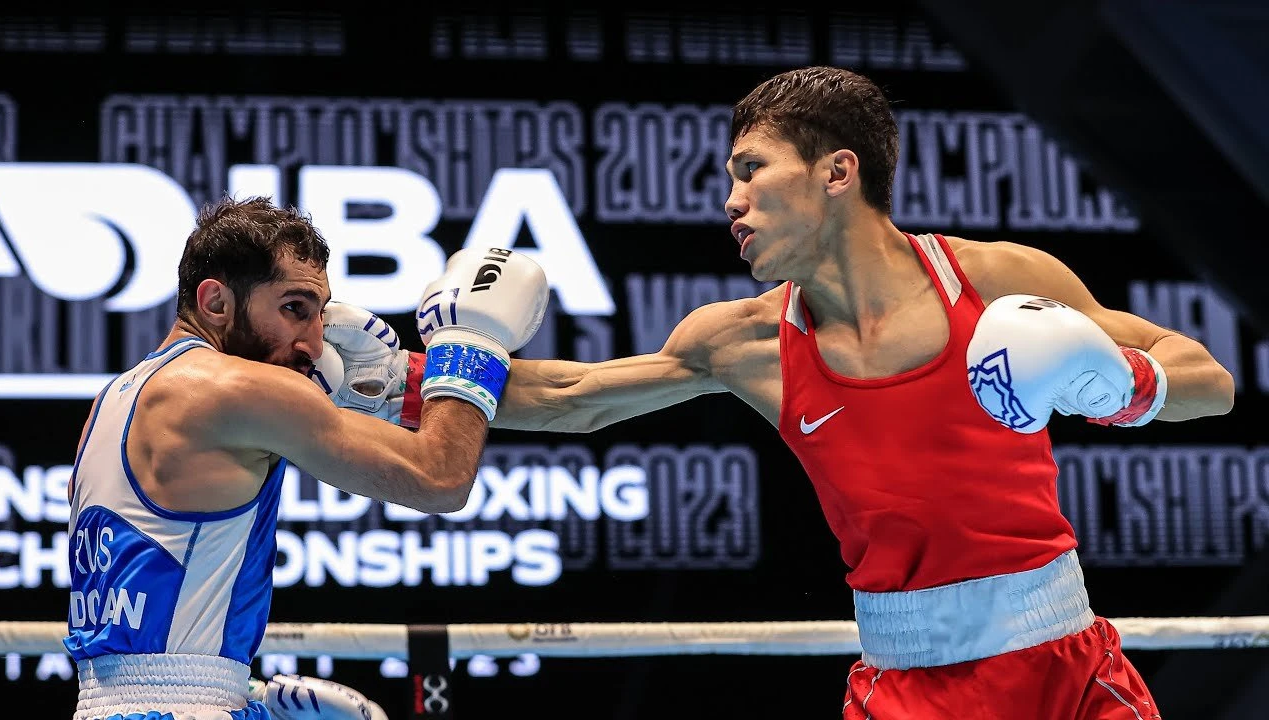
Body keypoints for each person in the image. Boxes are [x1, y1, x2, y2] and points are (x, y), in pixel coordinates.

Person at [327, 66, 1234, 719]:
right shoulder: (744, 340)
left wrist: (1120, 384)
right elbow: (576, 394)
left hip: (1067, 668)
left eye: (750, 169)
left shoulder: (992, 281)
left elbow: (1212, 383)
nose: (731, 200)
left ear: (837, 172)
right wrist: (397, 380)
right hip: (907, 685)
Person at [64, 196, 549, 720]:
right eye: (294, 308)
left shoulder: (112, 401)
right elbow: (441, 478)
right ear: (216, 302)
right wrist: (469, 346)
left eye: (320, 313)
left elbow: (148, 625)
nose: (316, 345)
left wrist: (236, 695)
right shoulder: (238, 387)